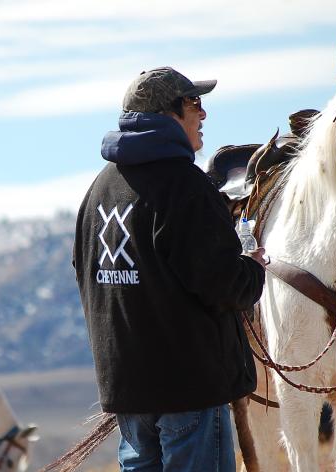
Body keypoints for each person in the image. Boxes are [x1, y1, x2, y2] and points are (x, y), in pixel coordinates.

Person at [73, 66, 266, 471]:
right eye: (195, 103)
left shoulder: (99, 190)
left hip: (128, 396)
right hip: (189, 390)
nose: (203, 115)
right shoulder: (186, 187)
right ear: (169, 114)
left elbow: (85, 274)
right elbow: (223, 284)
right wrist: (252, 267)